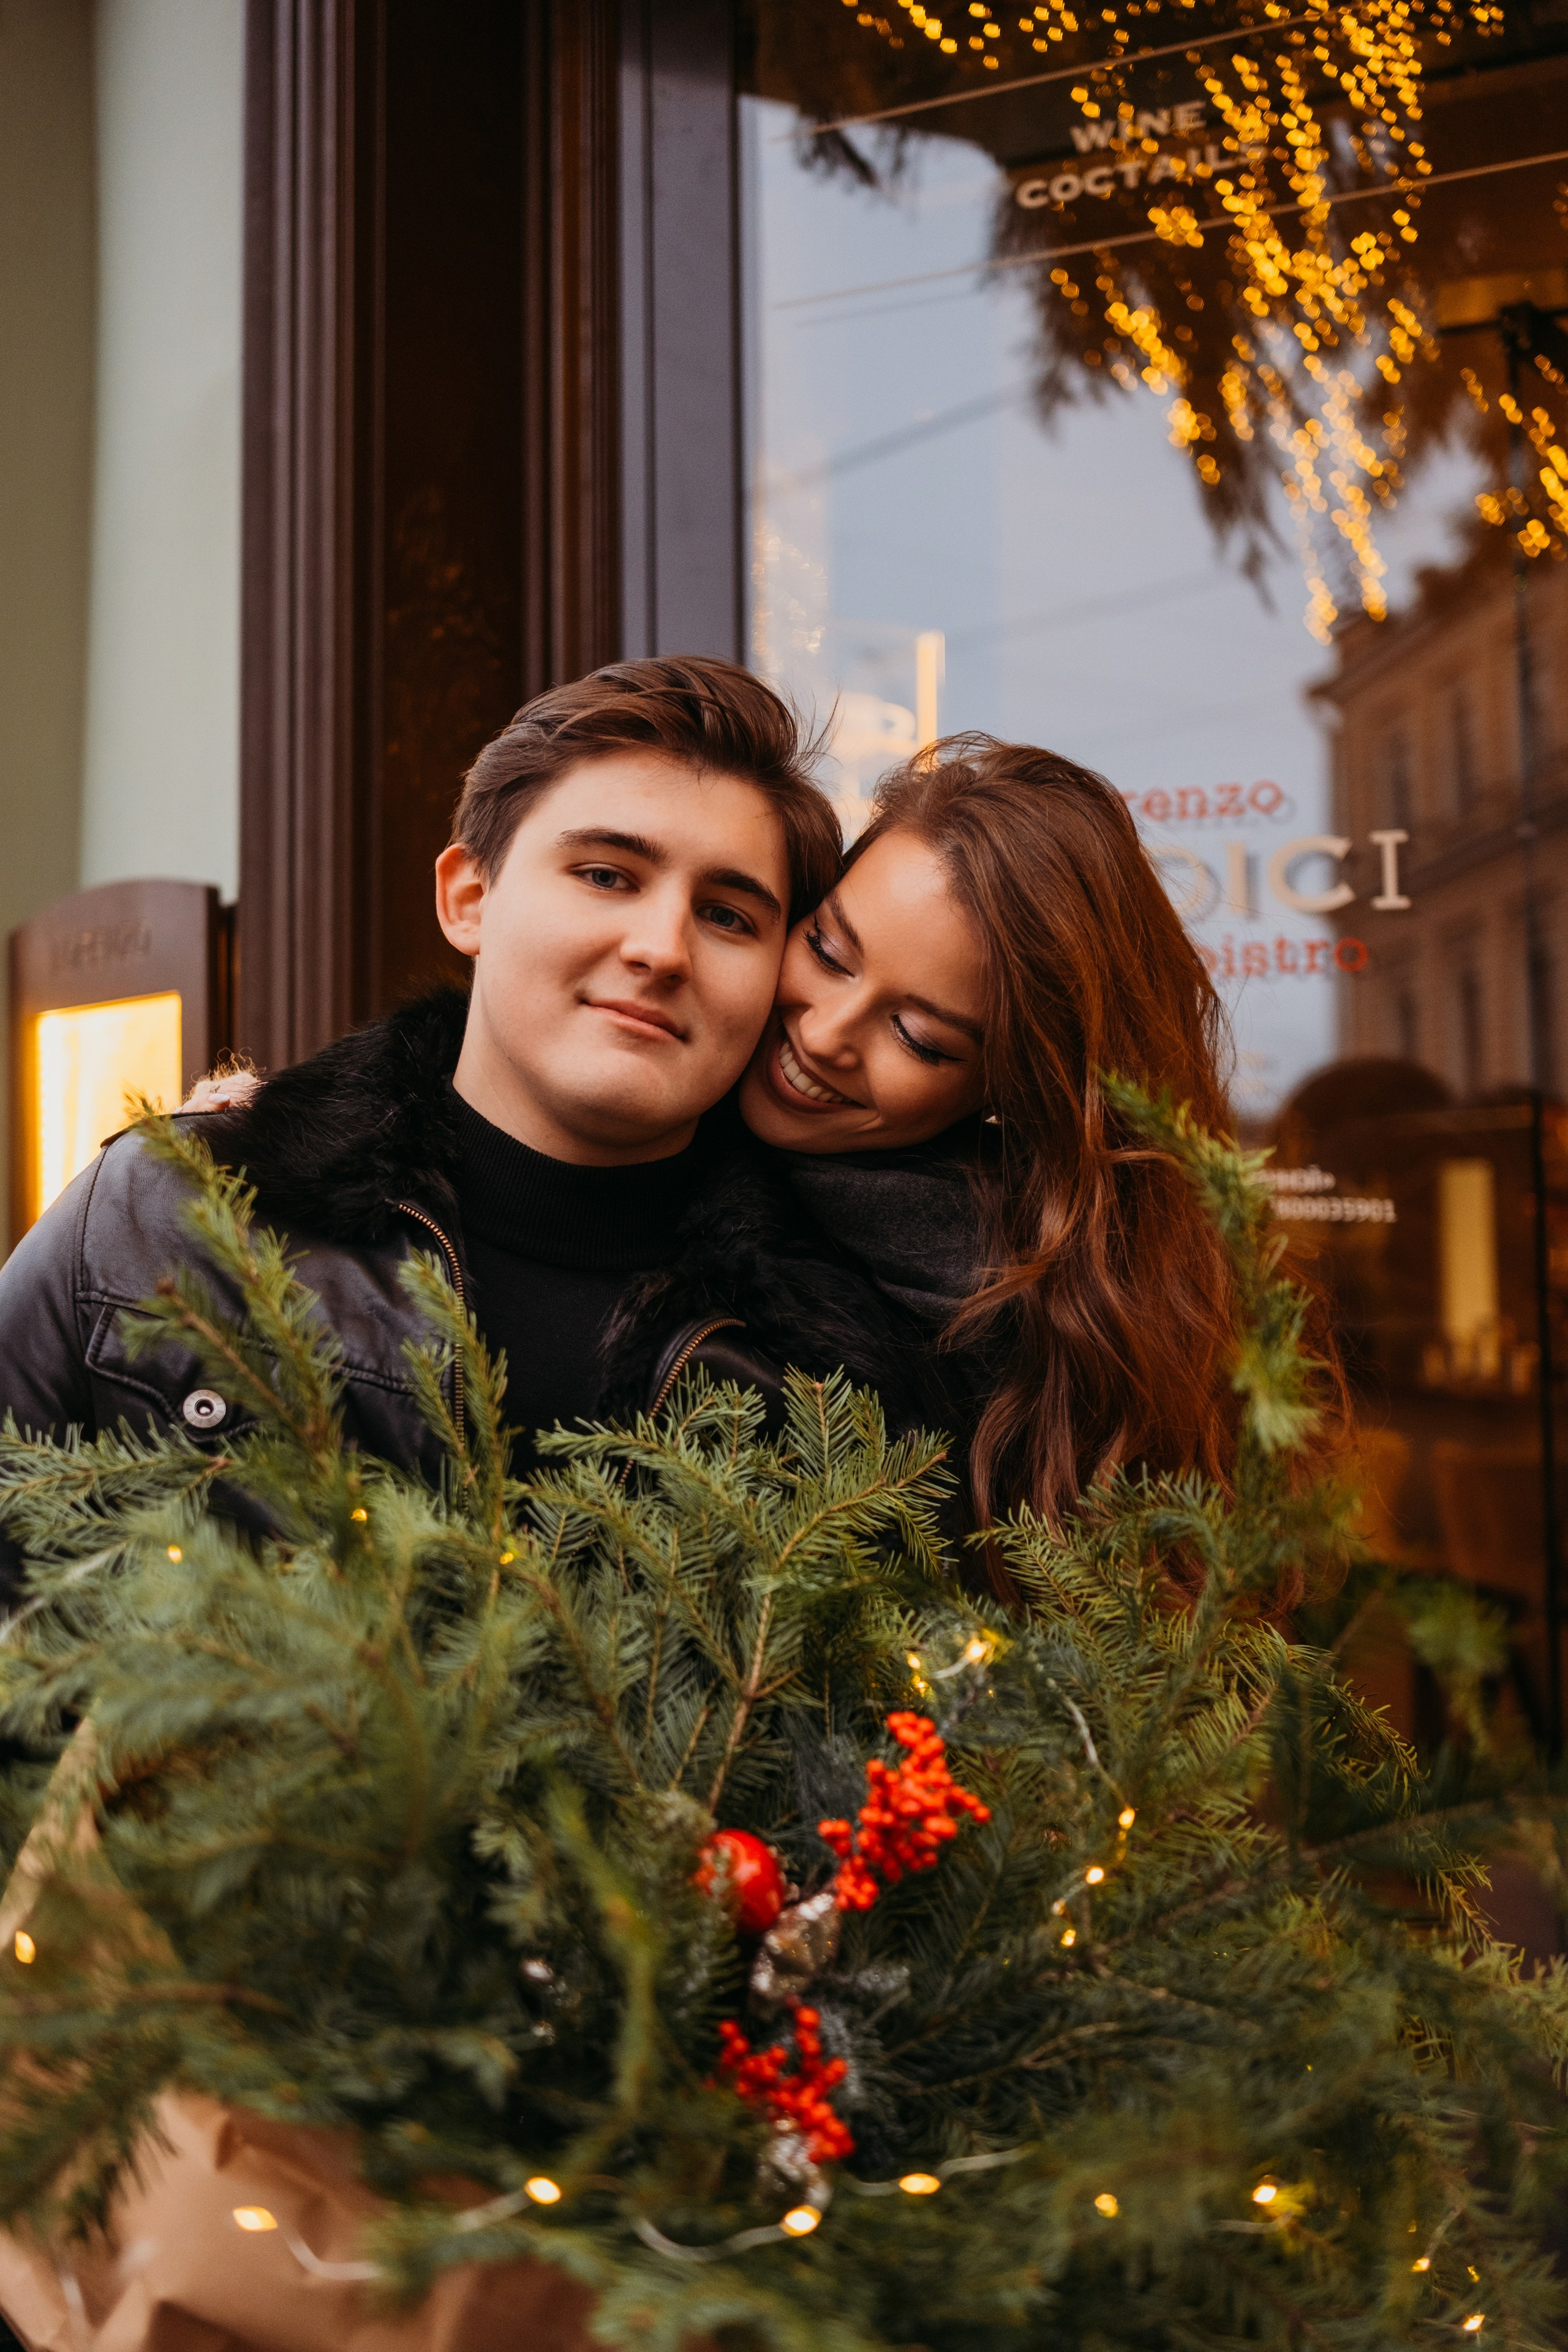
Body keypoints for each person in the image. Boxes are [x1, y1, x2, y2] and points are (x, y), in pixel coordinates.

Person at [0, 658, 933, 1523]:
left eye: (727, 916)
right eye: (605, 876)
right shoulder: (172, 1214)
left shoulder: (833, 1382)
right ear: (469, 898)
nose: (660, 949)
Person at [606, 733, 1239, 1540]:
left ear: (1008, 1090)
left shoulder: (1050, 1343)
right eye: (828, 951)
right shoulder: (629, 1136)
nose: (825, 1034)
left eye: (919, 1037)